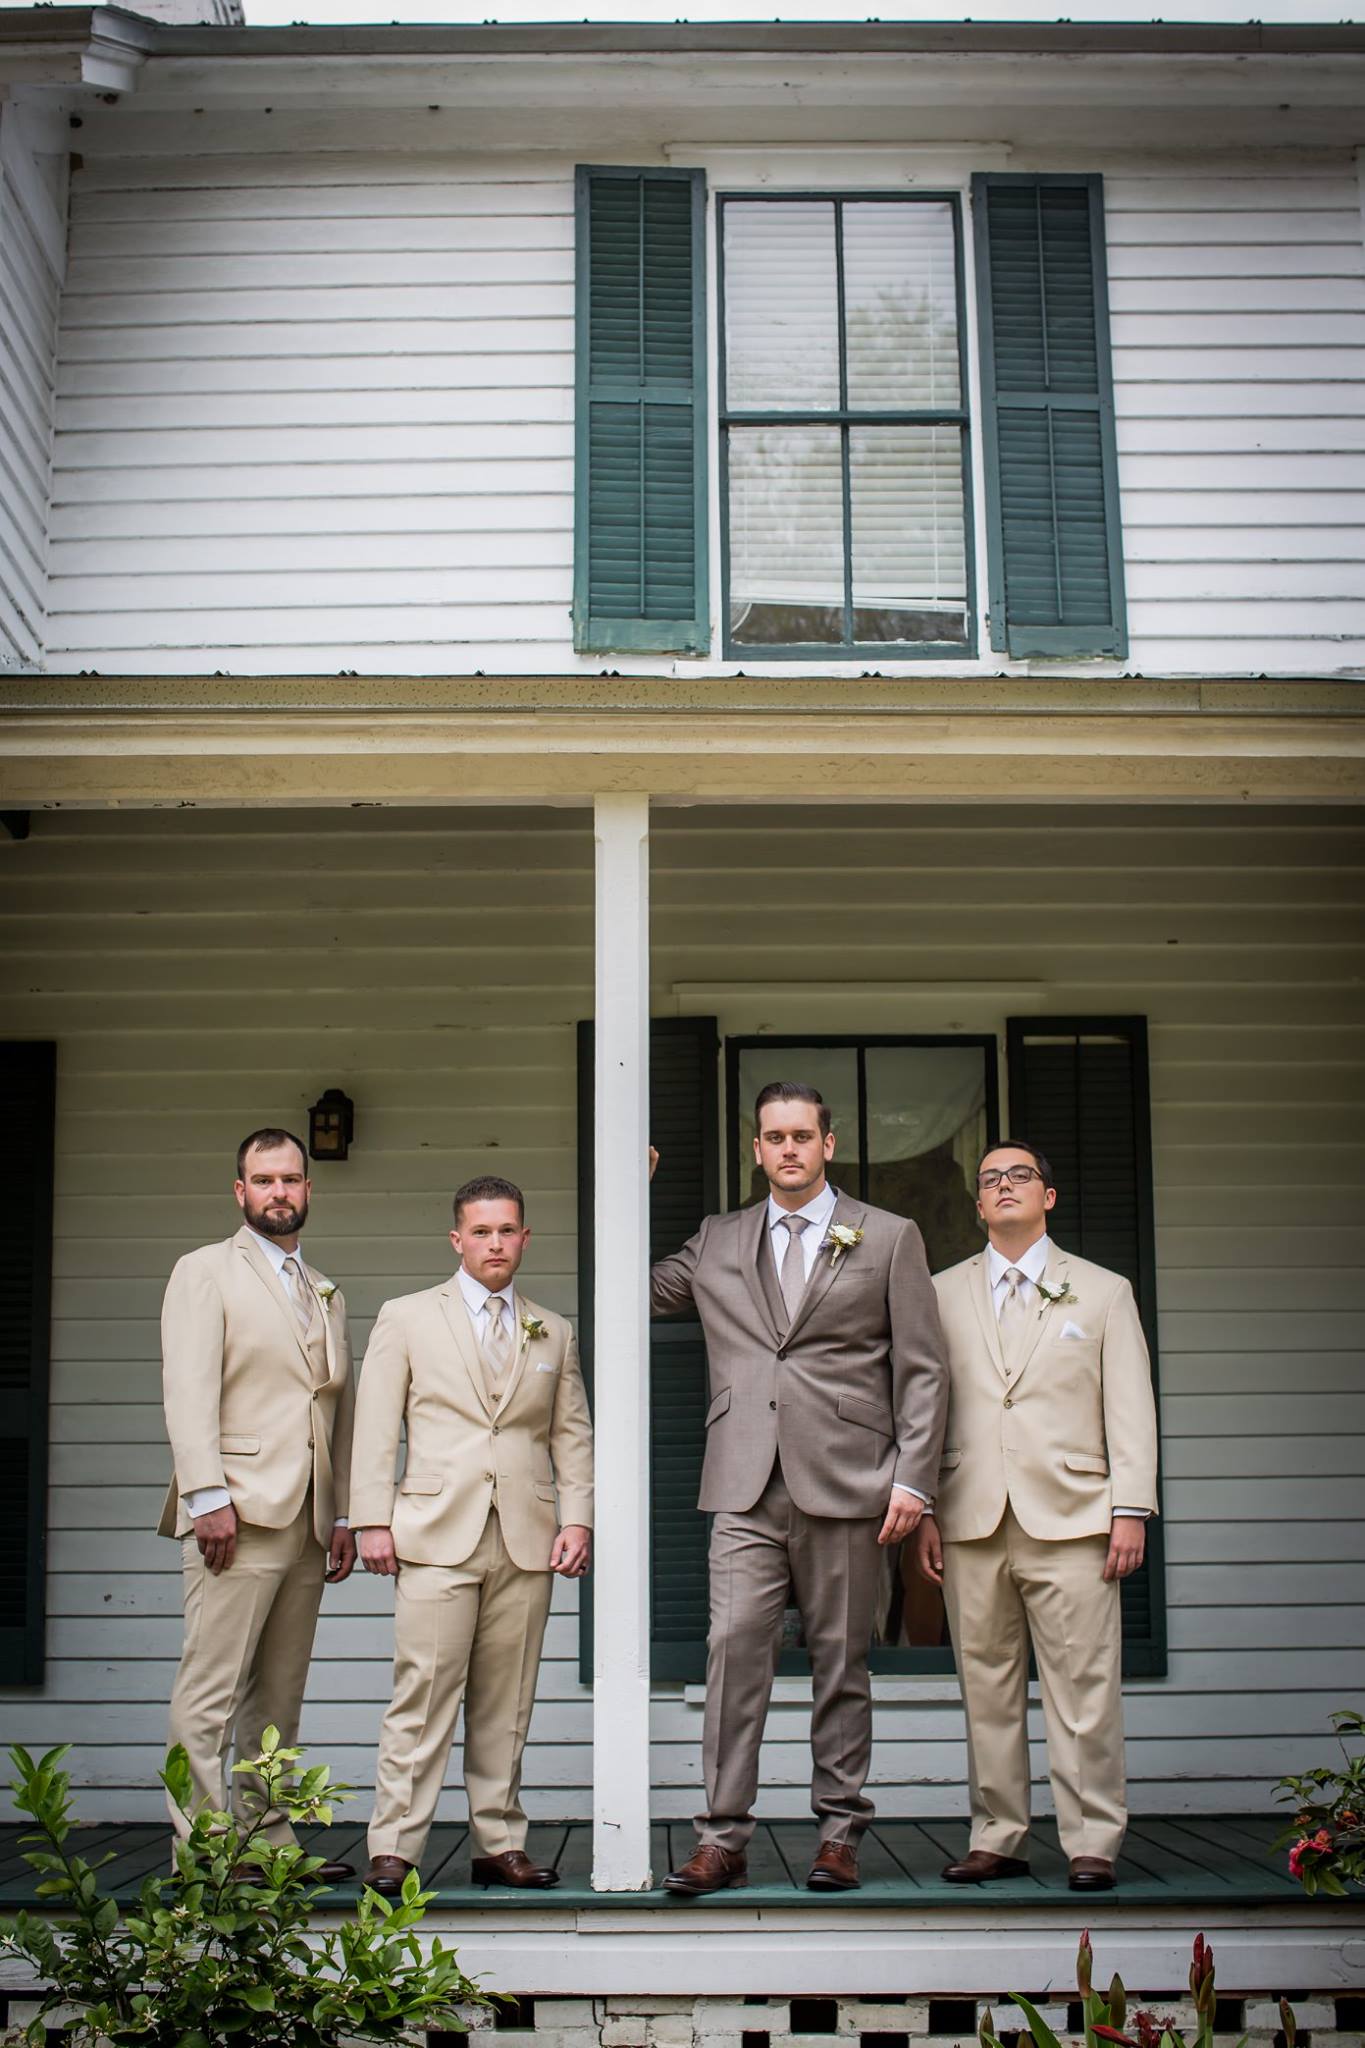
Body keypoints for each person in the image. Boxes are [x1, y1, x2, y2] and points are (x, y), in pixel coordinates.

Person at [649, 1082, 949, 1895]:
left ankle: (839, 1832)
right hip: (742, 1482)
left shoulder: (887, 1237)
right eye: (772, 1137)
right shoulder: (716, 1239)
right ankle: (720, 1839)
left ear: (827, 1143)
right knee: (730, 1654)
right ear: (755, 1149)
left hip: (850, 1481)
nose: (787, 1149)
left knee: (840, 1665)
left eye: (800, 1136)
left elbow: (921, 1368)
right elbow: (638, 1293)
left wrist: (913, 1480)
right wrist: (625, 1192)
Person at [917, 1140, 1159, 1893]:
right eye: (990, 1180)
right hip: (970, 1516)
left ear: (1046, 1196)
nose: (1004, 1186)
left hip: (1076, 1516)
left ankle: (1092, 1840)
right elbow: (922, 1409)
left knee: (1083, 1689)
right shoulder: (937, 1293)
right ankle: (998, 1834)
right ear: (978, 1204)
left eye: (1019, 1175)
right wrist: (923, 1504)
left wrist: (1130, 1509)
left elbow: (1129, 1409)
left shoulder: (1101, 1291)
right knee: (984, 1685)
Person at [352, 1175, 593, 1893]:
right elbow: (374, 1425)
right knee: (422, 1694)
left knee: (507, 1699)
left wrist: (576, 1516)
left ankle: (497, 1841)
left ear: (525, 1238)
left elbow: (570, 1434)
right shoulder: (405, 1317)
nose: (496, 1243)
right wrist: (370, 1518)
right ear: (457, 1238)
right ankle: (395, 1845)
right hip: (432, 1531)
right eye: (481, 1231)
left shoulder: (552, 1329)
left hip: (525, 1535)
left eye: (508, 1230)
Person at [159, 1128, 356, 1875]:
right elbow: (188, 1391)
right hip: (234, 1515)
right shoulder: (204, 1272)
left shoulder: (324, 1289)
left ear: (309, 1189)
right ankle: (202, 1850)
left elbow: (331, 1410)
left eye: (291, 1179)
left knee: (278, 1696)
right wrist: (208, 1496)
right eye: (263, 1180)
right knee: (210, 1691)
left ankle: (266, 1838)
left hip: (305, 1522)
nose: (280, 1192)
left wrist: (337, 1514)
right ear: (240, 1192)